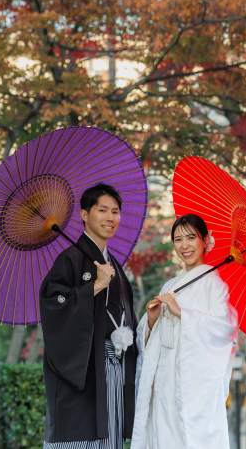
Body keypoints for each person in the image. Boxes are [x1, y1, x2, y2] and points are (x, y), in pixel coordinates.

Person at [39, 183, 139, 449]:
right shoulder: (69, 260)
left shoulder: (111, 264)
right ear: (85, 215)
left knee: (111, 436)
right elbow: (53, 307)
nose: (110, 218)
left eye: (115, 212)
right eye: (102, 210)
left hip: (113, 371)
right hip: (83, 372)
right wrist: (94, 286)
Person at [131, 214, 239, 449]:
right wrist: (152, 320)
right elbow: (154, 336)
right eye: (178, 240)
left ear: (205, 241)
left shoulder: (215, 284)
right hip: (164, 380)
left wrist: (182, 313)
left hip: (193, 384)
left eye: (191, 238)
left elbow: (223, 329)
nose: (185, 245)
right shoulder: (170, 285)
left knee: (191, 438)